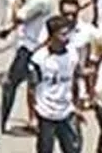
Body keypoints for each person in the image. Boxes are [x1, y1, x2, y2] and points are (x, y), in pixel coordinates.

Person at [0, 0, 56, 131]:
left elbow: (19, 16)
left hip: (30, 48)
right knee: (34, 86)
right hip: (36, 46)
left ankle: (1, 120)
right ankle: (36, 121)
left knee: (11, 83)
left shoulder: (39, 1)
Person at [28, 16, 84, 153]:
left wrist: (77, 107)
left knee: (73, 148)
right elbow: (31, 89)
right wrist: (33, 116)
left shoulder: (72, 54)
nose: (67, 37)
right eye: (63, 34)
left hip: (66, 111)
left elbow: (75, 81)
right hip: (46, 112)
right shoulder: (39, 59)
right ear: (52, 35)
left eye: (68, 33)